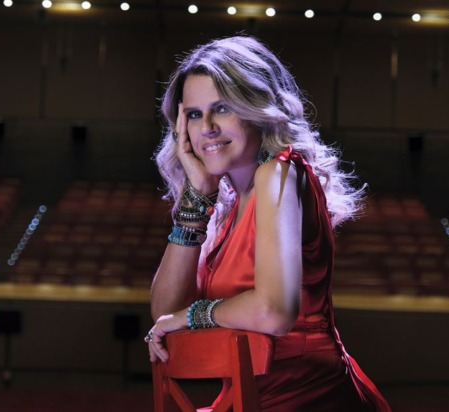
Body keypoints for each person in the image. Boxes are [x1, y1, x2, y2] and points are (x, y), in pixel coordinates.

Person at [146, 35, 390, 411]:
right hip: (252, 400)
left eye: (222, 108)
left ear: (256, 108)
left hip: (311, 398)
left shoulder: (278, 174)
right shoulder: (226, 206)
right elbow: (164, 312)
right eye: (193, 114)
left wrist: (191, 316)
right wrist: (198, 197)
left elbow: (273, 312)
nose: (206, 127)